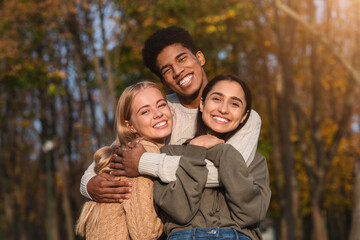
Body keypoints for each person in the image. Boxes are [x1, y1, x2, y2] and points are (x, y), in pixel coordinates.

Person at [80, 26, 262, 204]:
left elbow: (231, 175)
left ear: (200, 57)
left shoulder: (241, 116)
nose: (178, 71)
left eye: (182, 59)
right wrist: (88, 184)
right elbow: (113, 156)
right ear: (163, 81)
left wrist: (144, 163)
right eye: (167, 70)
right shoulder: (160, 112)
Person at [154, 74, 271, 240]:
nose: (223, 109)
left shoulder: (255, 161)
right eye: (216, 99)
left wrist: (223, 151)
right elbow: (180, 212)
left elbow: (251, 214)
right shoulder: (169, 153)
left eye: (234, 104)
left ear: (244, 116)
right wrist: (195, 151)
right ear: (202, 104)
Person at [75, 81, 168, 240]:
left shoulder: (123, 151)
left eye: (161, 105)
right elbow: (145, 233)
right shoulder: (140, 152)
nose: (158, 113)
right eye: (145, 111)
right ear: (130, 126)